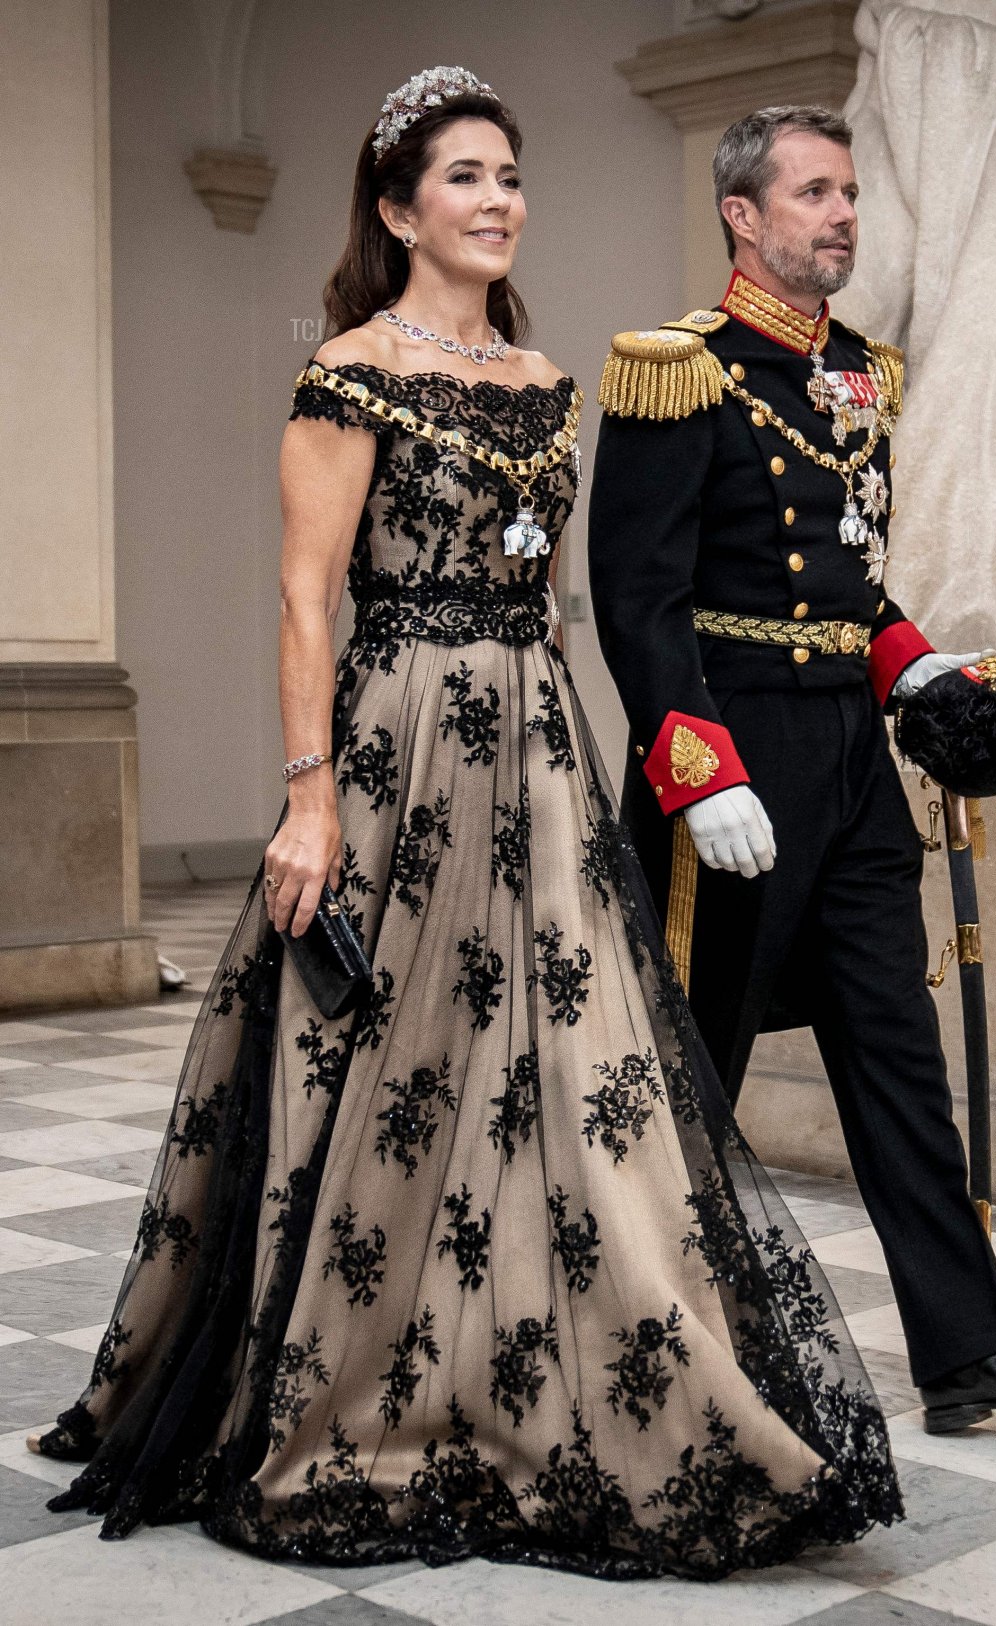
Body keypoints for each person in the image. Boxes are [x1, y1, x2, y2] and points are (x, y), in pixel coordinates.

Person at [26, 70, 904, 1579]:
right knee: (392, 1062)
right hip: (394, 747)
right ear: (395, 207)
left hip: (538, 747)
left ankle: (583, 1381)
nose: (498, 201)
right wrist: (307, 799)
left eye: (511, 177)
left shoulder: (554, 381)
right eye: (465, 178)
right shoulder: (350, 372)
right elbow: (307, 595)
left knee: (575, 1074)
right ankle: (359, 1384)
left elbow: (557, 585)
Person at [587, 104, 996, 1436]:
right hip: (731, 762)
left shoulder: (854, 375)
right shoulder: (677, 370)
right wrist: (696, 767)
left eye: (849, 194)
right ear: (743, 216)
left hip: (849, 762)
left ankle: (967, 1351)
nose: (841, 216)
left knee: (898, 1053)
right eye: (814, 194)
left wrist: (918, 668)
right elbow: (637, 599)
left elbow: (845, 583)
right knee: (687, 1073)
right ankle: (655, 1356)